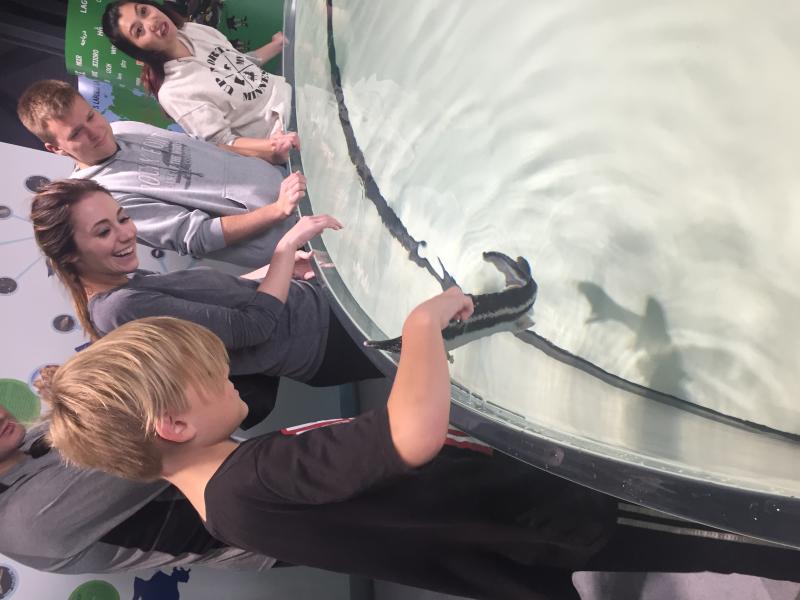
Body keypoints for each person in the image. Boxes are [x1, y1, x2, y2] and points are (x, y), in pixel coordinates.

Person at [39, 298, 621, 600]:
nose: (226, 375)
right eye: (208, 375)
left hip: (505, 547)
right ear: (173, 425)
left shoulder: (222, 511)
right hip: (547, 518)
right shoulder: (255, 478)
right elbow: (410, 433)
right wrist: (422, 326)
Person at [30, 178, 382, 387]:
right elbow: (252, 327)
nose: (125, 234)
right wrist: (285, 246)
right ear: (70, 254)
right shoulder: (120, 308)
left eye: (122, 219)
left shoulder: (124, 283)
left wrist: (278, 269)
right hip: (327, 342)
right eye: (103, 232)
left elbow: (221, 301)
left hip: (321, 313)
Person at [17, 79, 301, 268]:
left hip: (290, 183)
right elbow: (197, 236)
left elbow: (208, 149)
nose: (95, 131)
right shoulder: (98, 198)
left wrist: (269, 152)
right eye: (77, 133)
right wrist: (277, 210)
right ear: (56, 148)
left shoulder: (122, 128)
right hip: (290, 233)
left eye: (91, 116)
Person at [0, 404, 276, 573]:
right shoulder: (25, 519)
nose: (1, 414)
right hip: (265, 522)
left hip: (254, 467)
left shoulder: (34, 438)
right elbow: (163, 438)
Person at [102, 0, 294, 152]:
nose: (151, 23)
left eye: (143, 11)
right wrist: (274, 145)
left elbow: (239, 65)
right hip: (284, 130)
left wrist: (276, 45)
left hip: (292, 94)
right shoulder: (173, 92)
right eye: (139, 30)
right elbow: (223, 143)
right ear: (139, 51)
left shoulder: (193, 30)